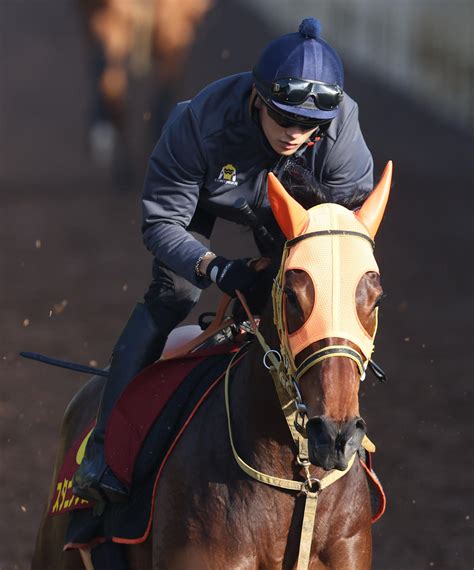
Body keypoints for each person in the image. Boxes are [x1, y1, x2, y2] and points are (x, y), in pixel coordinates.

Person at [72, 17, 374, 503]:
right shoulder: (198, 123)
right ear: (257, 98)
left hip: (297, 209)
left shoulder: (341, 132)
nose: (296, 134)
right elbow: (161, 223)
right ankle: (105, 450)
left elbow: (345, 236)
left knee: (321, 298)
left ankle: (340, 426)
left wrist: (279, 268)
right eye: (284, 119)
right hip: (205, 200)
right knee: (177, 293)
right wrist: (219, 269)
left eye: (310, 126)